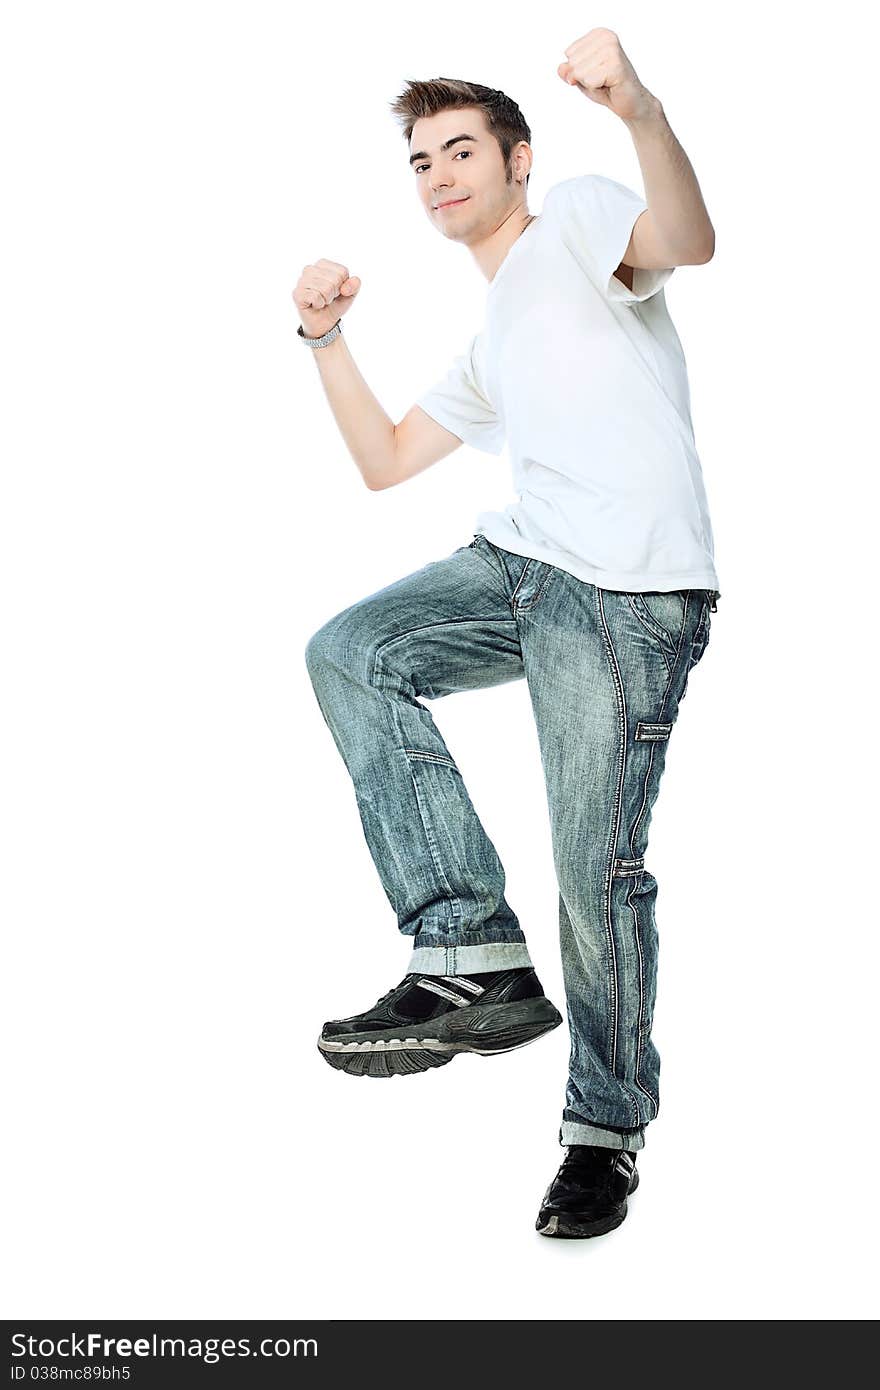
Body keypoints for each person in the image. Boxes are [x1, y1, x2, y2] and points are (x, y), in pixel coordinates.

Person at [295, 32, 720, 1240]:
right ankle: (469, 948)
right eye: (420, 158)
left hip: (628, 597)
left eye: (460, 148)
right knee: (352, 649)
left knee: (597, 878)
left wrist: (638, 107)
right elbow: (384, 462)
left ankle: (602, 1127)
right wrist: (325, 337)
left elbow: (686, 242)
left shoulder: (577, 223)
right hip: (521, 569)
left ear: (517, 160)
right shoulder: (493, 342)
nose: (436, 173)